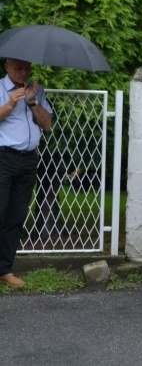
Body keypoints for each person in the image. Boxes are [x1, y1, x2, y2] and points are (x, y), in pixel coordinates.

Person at [0, 58, 53, 287]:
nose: (24, 73)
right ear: (7, 67)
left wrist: (32, 103)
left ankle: (4, 269)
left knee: (16, 216)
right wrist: (10, 104)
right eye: (19, 68)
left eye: (27, 68)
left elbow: (47, 124)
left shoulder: (35, 91)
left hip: (28, 161)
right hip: (3, 158)